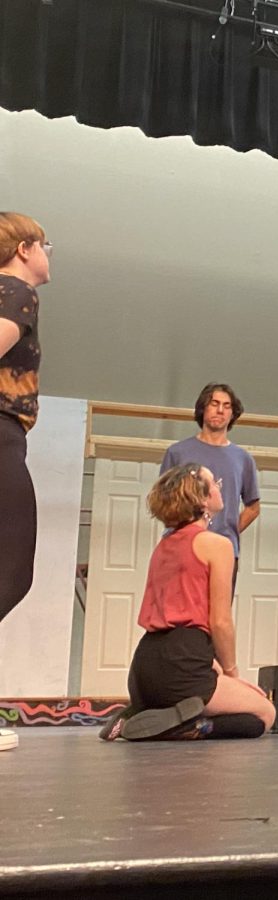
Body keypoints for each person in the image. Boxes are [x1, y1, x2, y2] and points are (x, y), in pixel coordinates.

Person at [100, 464, 276, 741]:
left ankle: (141, 712)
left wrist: (215, 669)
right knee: (264, 714)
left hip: (144, 668)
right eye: (214, 482)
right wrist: (231, 673)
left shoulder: (164, 546)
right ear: (202, 499)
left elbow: (182, 616)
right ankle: (188, 726)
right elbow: (219, 621)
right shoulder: (216, 545)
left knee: (229, 702)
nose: (220, 486)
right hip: (181, 666)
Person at [0, 211, 51, 753]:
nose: (48, 256)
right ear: (25, 248)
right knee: (11, 573)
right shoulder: (16, 290)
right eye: (46, 246)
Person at [161, 383, 260, 591]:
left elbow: (253, 507)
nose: (220, 410)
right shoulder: (177, 452)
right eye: (214, 404)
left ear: (233, 414)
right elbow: (163, 501)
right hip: (182, 548)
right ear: (203, 408)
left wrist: (230, 529)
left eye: (227, 405)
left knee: (217, 616)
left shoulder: (243, 459)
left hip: (224, 551)